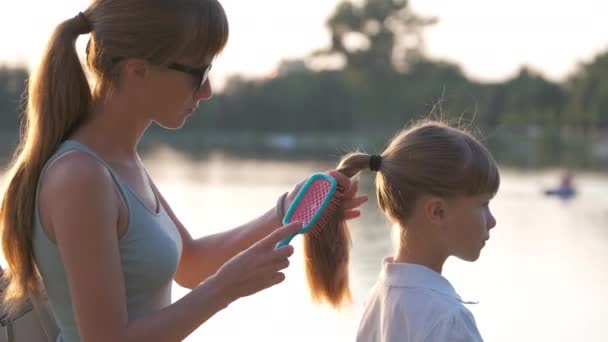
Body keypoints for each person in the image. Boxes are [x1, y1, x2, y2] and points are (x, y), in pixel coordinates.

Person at [0, 1, 367, 341]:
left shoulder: (117, 162)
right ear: (138, 71)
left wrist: (285, 209)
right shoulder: (81, 177)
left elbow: (190, 264)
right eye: (199, 72)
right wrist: (225, 289)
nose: (207, 90)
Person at [332, 120, 499, 341]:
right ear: (437, 211)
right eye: (483, 204)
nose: (492, 221)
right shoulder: (449, 320)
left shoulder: (377, 300)